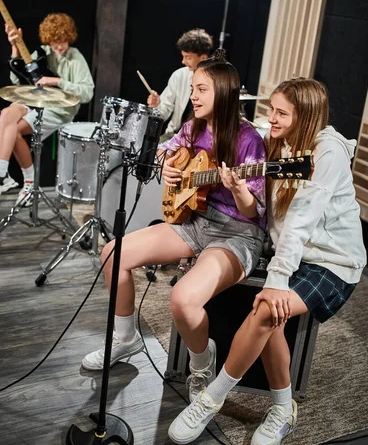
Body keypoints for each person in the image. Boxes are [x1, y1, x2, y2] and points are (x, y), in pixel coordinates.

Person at [168, 76, 367, 445]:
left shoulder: (328, 153)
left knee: (264, 310)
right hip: (291, 255)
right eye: (270, 109)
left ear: (305, 117)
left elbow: (301, 221)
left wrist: (276, 280)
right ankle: (283, 407)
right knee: (273, 319)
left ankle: (212, 398)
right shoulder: (279, 142)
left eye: (280, 113)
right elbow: (236, 136)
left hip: (332, 261)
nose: (270, 119)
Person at [82, 56, 266, 405]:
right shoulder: (194, 127)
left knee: (182, 299)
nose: (193, 96)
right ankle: (125, 339)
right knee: (113, 253)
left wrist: (239, 188)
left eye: (201, 89)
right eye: (193, 89)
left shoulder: (249, 140)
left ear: (224, 92)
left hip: (237, 232)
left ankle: (201, 365)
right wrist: (169, 167)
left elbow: (252, 210)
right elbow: (166, 152)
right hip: (195, 219)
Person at [0, 13, 94, 204]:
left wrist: (58, 81)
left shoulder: (75, 57)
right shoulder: (42, 53)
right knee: (7, 113)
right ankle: (0, 176)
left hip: (60, 111)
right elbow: (17, 81)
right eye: (54, 42)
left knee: (14, 131)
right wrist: (14, 48)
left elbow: (87, 93)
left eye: (63, 41)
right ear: (48, 40)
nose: (58, 46)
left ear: (69, 37)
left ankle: (25, 181)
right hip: (36, 104)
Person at [146, 28, 214, 140]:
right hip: (174, 135)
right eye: (183, 56)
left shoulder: (214, 81)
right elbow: (162, 113)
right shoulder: (179, 76)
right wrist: (156, 105)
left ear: (203, 58)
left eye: (188, 57)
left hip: (200, 139)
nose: (183, 62)